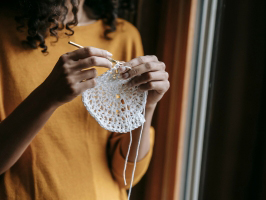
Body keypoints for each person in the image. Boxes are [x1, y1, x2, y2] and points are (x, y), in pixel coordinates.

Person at [0, 0, 170, 199]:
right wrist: (48, 97)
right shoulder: (4, 32)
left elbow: (126, 177)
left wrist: (146, 106)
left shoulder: (123, 36)